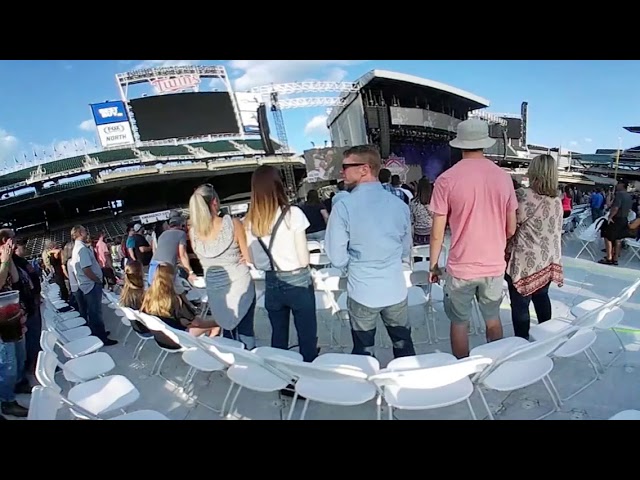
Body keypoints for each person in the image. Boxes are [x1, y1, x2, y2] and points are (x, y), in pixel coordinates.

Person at [429, 118, 517, 359]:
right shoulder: (503, 177)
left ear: (460, 145)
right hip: (494, 265)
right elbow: (511, 228)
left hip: (461, 267)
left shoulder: (446, 179)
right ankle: (494, 366)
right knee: (492, 319)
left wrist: (433, 265)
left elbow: (437, 233)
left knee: (460, 323)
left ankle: (463, 372)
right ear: (484, 144)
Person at [325, 145, 415, 358]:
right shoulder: (399, 205)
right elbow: (405, 249)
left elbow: (336, 258)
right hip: (394, 288)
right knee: (404, 347)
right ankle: (407, 388)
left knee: (364, 353)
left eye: (346, 166)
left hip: (362, 289)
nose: (341, 171)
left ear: (364, 169)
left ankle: (368, 391)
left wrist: (355, 261)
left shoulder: (343, 207)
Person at [245, 165, 319, 362]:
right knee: (307, 334)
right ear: (278, 185)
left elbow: (253, 260)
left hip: (271, 281)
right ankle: (309, 375)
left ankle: (283, 378)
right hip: (297, 279)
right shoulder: (293, 214)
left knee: (278, 335)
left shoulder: (250, 221)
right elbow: (304, 258)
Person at [189, 184, 256, 348]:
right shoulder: (233, 223)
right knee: (245, 330)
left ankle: (233, 364)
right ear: (214, 202)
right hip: (240, 283)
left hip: (215, 289)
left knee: (227, 330)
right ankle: (249, 363)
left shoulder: (193, 232)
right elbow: (248, 257)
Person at [505, 154, 564, 339]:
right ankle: (546, 338)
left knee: (521, 305)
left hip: (525, 262)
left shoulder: (521, 195)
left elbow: (510, 227)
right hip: (548, 260)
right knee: (542, 297)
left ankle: (521, 345)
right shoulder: (557, 200)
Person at [140, 263, 219, 348]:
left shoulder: (148, 295)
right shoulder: (175, 299)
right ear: (172, 278)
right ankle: (210, 354)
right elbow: (196, 322)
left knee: (188, 322)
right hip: (177, 340)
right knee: (216, 326)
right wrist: (217, 322)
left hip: (160, 337)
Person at [69, 225, 117, 346]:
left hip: (87, 284)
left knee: (94, 311)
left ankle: (99, 333)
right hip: (91, 284)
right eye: (84, 231)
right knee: (95, 312)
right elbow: (86, 269)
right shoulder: (82, 249)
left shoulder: (77, 248)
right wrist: (97, 280)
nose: (86, 233)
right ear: (80, 233)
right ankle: (101, 337)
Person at [600, 179, 633, 266]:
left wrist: (610, 217)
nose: (617, 185)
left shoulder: (619, 194)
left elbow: (615, 208)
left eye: (618, 183)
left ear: (622, 185)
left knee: (607, 237)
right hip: (624, 219)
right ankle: (615, 258)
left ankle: (609, 257)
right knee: (618, 239)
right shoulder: (629, 196)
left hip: (616, 219)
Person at [410, 178, 433, 246]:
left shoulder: (413, 202)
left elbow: (411, 220)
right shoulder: (433, 201)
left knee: (418, 254)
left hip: (418, 235)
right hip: (431, 234)